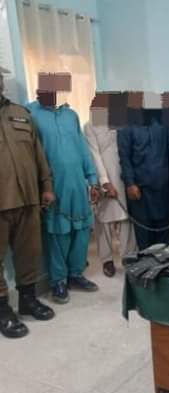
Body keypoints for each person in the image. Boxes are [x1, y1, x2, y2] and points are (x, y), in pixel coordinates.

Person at [28, 85, 100, 303]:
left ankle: (76, 274)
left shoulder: (71, 115)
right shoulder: (30, 113)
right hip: (53, 185)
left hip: (78, 183)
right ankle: (58, 281)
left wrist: (93, 179)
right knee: (58, 233)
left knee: (82, 230)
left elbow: (82, 147)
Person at [0, 68, 56, 338]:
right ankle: (2, 310)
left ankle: (27, 299)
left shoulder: (21, 114)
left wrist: (47, 186)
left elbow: (38, 155)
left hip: (27, 199)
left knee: (29, 253)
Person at [84, 92, 136, 277]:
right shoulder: (89, 126)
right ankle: (107, 259)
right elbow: (94, 155)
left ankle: (129, 256)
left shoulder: (120, 122)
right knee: (103, 219)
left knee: (126, 217)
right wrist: (104, 182)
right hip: (103, 177)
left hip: (123, 175)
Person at [118, 99, 169, 249]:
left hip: (163, 189)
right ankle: (146, 263)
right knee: (144, 237)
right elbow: (124, 157)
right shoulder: (126, 126)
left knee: (166, 236)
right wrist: (130, 183)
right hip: (140, 191)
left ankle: (167, 263)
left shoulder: (163, 123)